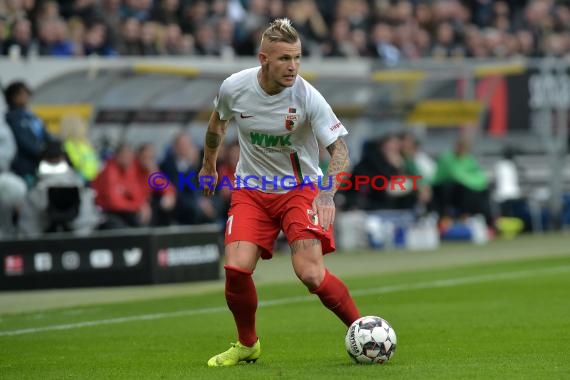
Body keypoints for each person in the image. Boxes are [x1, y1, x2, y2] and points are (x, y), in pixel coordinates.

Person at [199, 18, 361, 367]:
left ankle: (362, 330)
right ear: (263, 59)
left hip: (299, 190)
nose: (293, 67)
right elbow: (218, 123)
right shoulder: (234, 88)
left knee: (310, 273)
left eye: (297, 58)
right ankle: (247, 345)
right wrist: (209, 165)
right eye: (285, 58)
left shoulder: (307, 96)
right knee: (236, 270)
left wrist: (326, 194)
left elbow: (341, 151)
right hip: (251, 190)